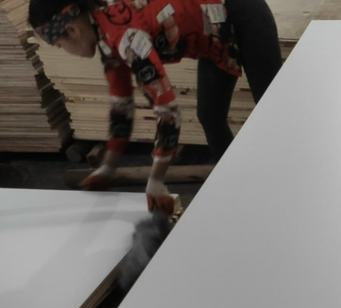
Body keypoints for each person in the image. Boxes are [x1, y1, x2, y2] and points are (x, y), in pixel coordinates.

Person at [29, 0, 282, 213]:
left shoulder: (126, 38)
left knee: (274, 109)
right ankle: (237, 189)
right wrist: (108, 167)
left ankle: (285, 185)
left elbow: (168, 111)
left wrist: (157, 180)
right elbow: (122, 107)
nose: (64, 50)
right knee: (210, 116)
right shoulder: (106, 35)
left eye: (60, 45)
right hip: (217, 36)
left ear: (72, 30)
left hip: (244, 14)